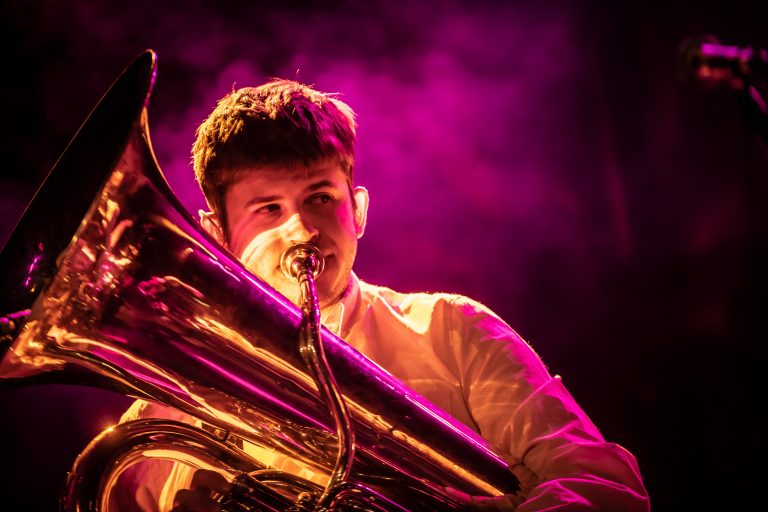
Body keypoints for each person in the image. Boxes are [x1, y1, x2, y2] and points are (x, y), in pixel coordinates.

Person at [115, 80, 650, 511]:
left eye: (319, 197)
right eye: (268, 209)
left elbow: (607, 490)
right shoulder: (169, 401)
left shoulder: (454, 329)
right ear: (217, 235)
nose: (302, 230)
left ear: (359, 211)